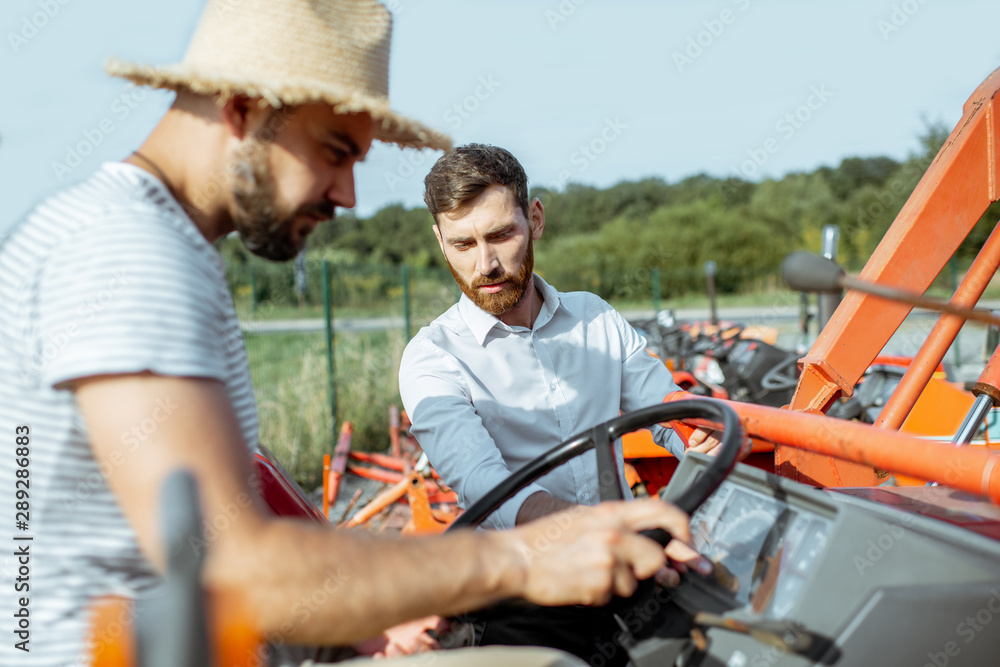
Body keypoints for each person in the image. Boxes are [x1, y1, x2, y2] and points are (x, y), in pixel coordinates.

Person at [0, 2, 710, 665]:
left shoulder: (137, 235)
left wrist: (373, 604)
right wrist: (530, 555)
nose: (347, 195)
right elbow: (234, 564)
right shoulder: (132, 250)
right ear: (242, 109)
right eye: (335, 151)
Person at [398, 144, 732, 665]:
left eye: (501, 235)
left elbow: (668, 412)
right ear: (440, 240)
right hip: (522, 592)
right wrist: (595, 529)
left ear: (534, 218)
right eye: (462, 243)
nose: (484, 263)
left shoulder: (595, 318)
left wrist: (700, 431)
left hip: (624, 572)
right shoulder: (431, 358)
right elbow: (484, 484)